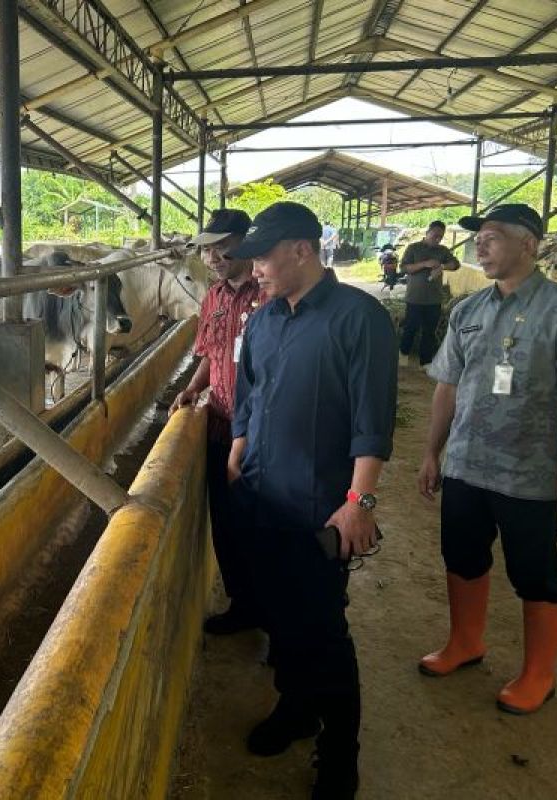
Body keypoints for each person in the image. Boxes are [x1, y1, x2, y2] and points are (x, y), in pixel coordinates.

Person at [227, 202, 397, 800]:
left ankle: (339, 755)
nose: (256, 270)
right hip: (262, 494)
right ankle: (295, 710)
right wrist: (238, 446)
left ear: (302, 249)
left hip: (321, 506)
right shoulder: (266, 319)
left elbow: (373, 421)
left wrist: (360, 501)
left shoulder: (360, 318)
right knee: (279, 616)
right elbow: (249, 391)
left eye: (264, 257)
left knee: (323, 631)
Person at [417, 204, 557, 715]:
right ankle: (465, 642)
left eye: (493, 237)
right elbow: (447, 387)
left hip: (529, 473)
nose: (480, 246)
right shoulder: (468, 311)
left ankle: (538, 674)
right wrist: (432, 453)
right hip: (465, 464)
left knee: (535, 572)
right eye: (478, 238)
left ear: (529, 245)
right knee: (461, 556)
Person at [170, 208, 262, 634]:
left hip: (267, 431)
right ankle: (245, 605)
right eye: (207, 251)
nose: (212, 259)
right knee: (226, 522)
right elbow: (210, 351)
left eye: (221, 248)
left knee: (271, 522)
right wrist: (192, 388)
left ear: (247, 242)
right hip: (223, 423)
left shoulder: (272, 292)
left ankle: (282, 613)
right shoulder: (215, 297)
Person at [399, 220, 460, 367]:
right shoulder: (413, 248)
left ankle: (425, 362)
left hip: (434, 299)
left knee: (429, 332)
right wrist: (424, 264)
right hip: (415, 298)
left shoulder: (443, 251)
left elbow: (456, 264)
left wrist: (443, 265)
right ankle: (403, 357)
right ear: (427, 233)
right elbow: (404, 268)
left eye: (440, 237)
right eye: (435, 235)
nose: (437, 239)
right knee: (410, 328)